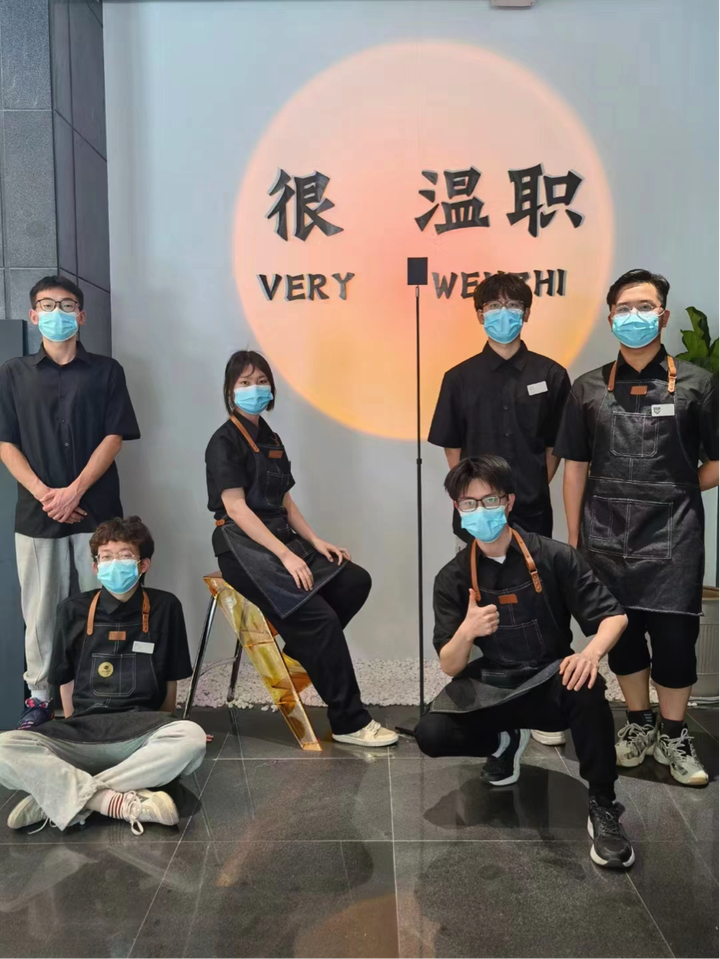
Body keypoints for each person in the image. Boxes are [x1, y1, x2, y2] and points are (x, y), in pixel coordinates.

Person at [415, 456, 633, 869]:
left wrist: (589, 654)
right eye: (469, 504)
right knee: (431, 732)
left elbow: (614, 616)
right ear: (458, 509)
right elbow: (449, 664)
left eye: (489, 500)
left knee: (587, 686)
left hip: (548, 678)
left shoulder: (554, 557)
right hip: (492, 685)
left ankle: (603, 806)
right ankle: (504, 740)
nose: (480, 511)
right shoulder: (452, 577)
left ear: (509, 501)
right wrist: (468, 630)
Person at [554, 268, 720, 787]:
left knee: (675, 642)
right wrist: (574, 539)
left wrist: (677, 492)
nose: (634, 316)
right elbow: (575, 467)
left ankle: (674, 734)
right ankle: (639, 724)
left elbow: (718, 461)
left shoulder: (698, 384)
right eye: (624, 308)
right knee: (622, 638)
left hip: (675, 537)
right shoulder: (587, 388)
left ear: (663, 316)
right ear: (610, 318)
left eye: (644, 307)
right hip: (603, 537)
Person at [204, 349, 397, 748]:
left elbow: (286, 502)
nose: (254, 389)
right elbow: (236, 508)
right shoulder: (223, 441)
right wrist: (286, 555)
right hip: (243, 547)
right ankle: (350, 722)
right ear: (229, 391)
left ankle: (303, 649)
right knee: (320, 620)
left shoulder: (271, 438)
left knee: (354, 581)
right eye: (244, 382)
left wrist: (314, 541)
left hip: (280, 537)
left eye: (261, 381)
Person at [428, 272, 572, 749]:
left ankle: (546, 702)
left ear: (527, 313)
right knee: (479, 603)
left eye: (513, 305)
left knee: (543, 603)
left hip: (530, 509)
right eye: (493, 306)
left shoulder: (552, 375)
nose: (503, 313)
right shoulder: (459, 377)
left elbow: (555, 446)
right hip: (478, 518)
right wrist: (475, 500)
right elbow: (452, 449)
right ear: (479, 314)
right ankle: (486, 700)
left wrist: (528, 487)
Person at [0, 516, 206, 834]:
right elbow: (65, 680)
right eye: (106, 557)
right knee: (4, 747)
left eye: (124, 555)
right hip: (82, 733)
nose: (114, 564)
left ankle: (61, 798)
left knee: (190, 738)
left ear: (143, 564)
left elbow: (171, 680)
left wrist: (167, 724)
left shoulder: (166, 607)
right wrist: (73, 724)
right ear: (95, 567)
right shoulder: (72, 609)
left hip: (140, 733)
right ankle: (114, 801)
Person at [0, 276, 140, 728]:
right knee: (40, 610)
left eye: (66, 305)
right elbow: (5, 443)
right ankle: (40, 697)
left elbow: (114, 437)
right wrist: (48, 496)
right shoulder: (13, 373)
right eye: (47, 305)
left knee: (103, 602)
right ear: (33, 314)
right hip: (37, 513)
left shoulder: (107, 371)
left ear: (81, 315)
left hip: (95, 510)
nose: (57, 313)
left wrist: (75, 490)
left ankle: (103, 693)